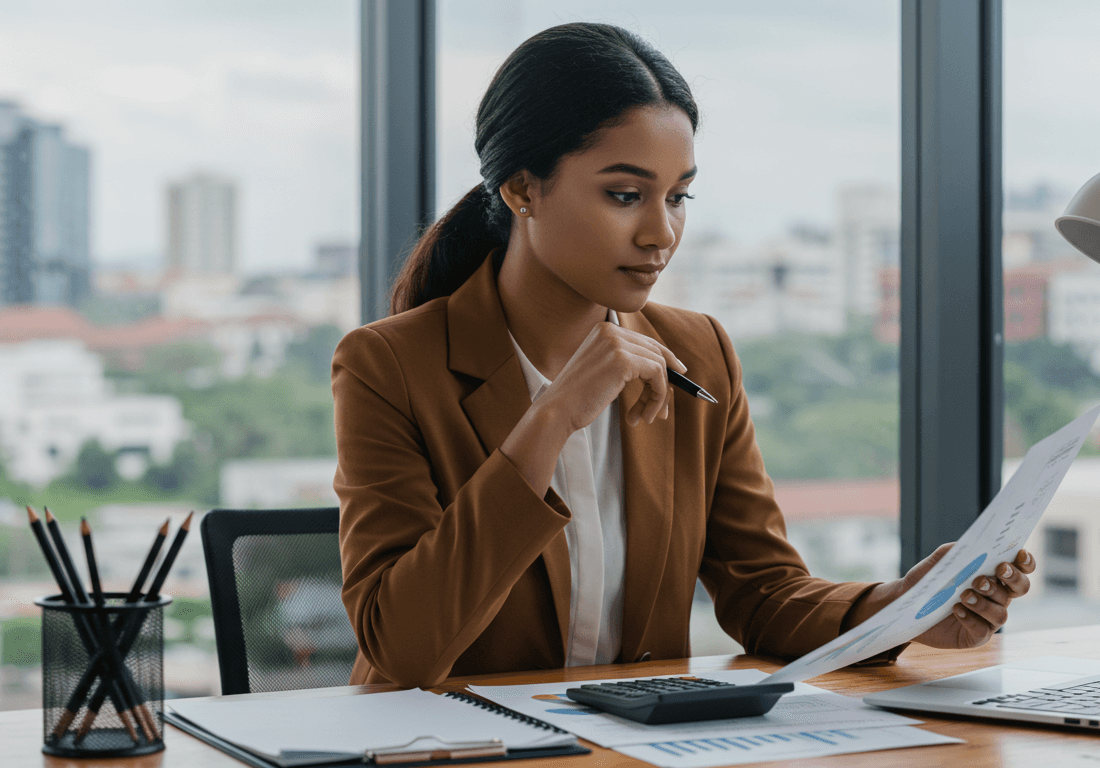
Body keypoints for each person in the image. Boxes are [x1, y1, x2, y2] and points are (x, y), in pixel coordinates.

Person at [332, 21, 1035, 689]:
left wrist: (900, 607)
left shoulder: (698, 351)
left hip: (627, 747)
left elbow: (763, 593)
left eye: (679, 196)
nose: (660, 233)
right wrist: (551, 419)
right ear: (522, 188)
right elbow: (404, 650)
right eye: (625, 194)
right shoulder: (387, 365)